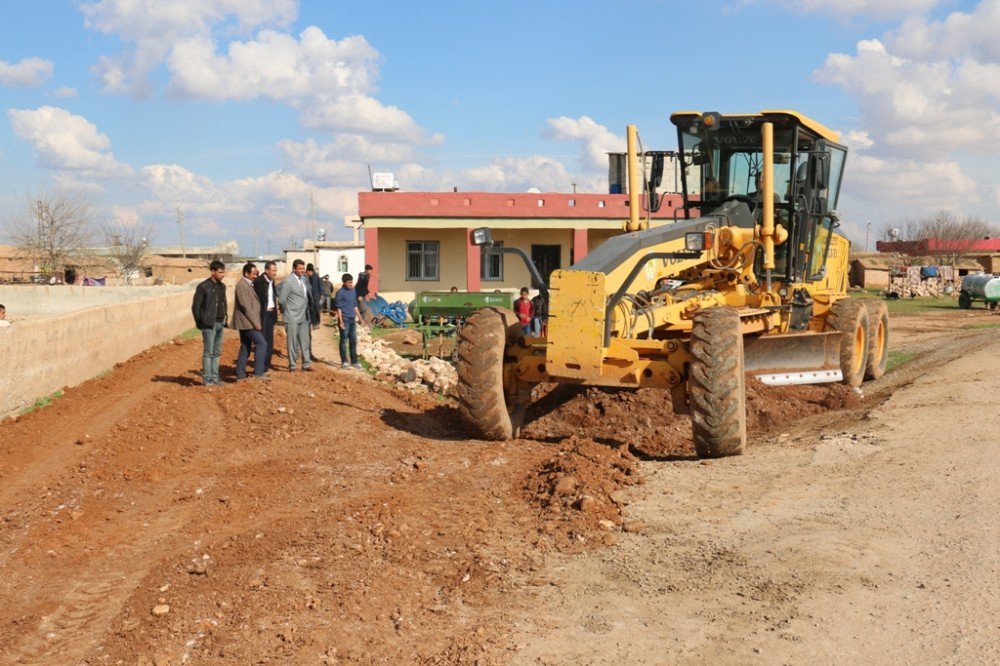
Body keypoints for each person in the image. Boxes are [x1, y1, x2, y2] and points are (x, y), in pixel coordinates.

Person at [191, 261, 227, 386]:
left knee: (217, 353)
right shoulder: (203, 286)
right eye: (220, 272)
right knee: (208, 353)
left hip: (219, 323)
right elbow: (196, 306)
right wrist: (200, 323)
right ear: (212, 272)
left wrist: (225, 318)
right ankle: (207, 379)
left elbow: (223, 303)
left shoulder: (222, 286)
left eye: (223, 272)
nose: (223, 275)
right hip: (208, 324)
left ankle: (215, 377)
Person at [233, 262, 269, 382]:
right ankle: (258, 373)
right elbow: (245, 307)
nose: (255, 276)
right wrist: (256, 323)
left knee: (245, 347)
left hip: (248, 322)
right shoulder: (242, 286)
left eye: (256, 274)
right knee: (262, 344)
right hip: (247, 323)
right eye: (253, 274)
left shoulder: (248, 284)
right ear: (246, 273)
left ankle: (240, 375)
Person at [278, 259, 313, 372]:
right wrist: (286, 312)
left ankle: (306, 364)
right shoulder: (288, 281)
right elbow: (282, 300)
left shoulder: (304, 279)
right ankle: (292, 365)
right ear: (294, 269)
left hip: (303, 315)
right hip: (292, 316)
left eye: (303, 268)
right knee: (292, 342)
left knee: (305, 340)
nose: (302, 270)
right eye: (300, 268)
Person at [334, 273, 363, 369]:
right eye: (349, 282)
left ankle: (354, 361)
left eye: (351, 282)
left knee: (353, 341)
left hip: (352, 319)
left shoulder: (353, 291)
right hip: (345, 319)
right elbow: (339, 309)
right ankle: (344, 361)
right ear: (344, 282)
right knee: (343, 340)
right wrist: (341, 321)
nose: (351, 284)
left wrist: (360, 317)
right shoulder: (340, 293)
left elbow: (355, 305)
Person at [253, 260, 279, 370]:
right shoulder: (259, 282)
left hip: (271, 314)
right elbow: (257, 301)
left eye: (276, 270)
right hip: (263, 315)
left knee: (269, 341)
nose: (275, 273)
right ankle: (260, 366)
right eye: (273, 271)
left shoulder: (272, 282)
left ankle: (266, 364)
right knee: (262, 341)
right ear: (267, 270)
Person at [306, 263, 322, 329]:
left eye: (307, 272)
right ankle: (314, 323)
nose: (307, 274)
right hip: (313, 297)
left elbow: (318, 287)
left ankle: (316, 323)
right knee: (313, 310)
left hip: (315, 297)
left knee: (316, 310)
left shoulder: (315, 277)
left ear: (310, 271)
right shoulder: (311, 277)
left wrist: (321, 295)